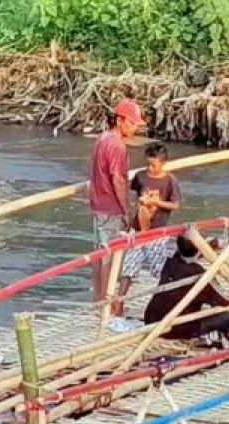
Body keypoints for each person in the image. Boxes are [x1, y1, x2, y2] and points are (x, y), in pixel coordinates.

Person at [143, 235, 229, 343]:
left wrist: (209, 246)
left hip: (151, 321)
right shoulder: (199, 276)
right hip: (175, 328)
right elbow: (224, 302)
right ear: (198, 249)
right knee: (224, 317)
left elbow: (187, 253)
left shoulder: (171, 262)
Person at [88, 98, 145, 304]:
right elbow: (119, 181)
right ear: (120, 120)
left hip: (98, 205)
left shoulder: (102, 139)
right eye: (132, 124)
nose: (134, 129)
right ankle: (107, 303)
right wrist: (126, 209)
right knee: (110, 258)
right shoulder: (117, 146)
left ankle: (98, 298)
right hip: (111, 207)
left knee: (99, 253)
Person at [116, 142, 183, 311]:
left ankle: (165, 303)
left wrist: (156, 202)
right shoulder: (140, 177)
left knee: (159, 269)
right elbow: (129, 192)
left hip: (157, 232)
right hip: (137, 230)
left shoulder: (170, 181)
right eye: (148, 164)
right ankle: (119, 304)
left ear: (163, 163)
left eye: (153, 165)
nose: (150, 168)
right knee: (128, 268)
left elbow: (175, 205)